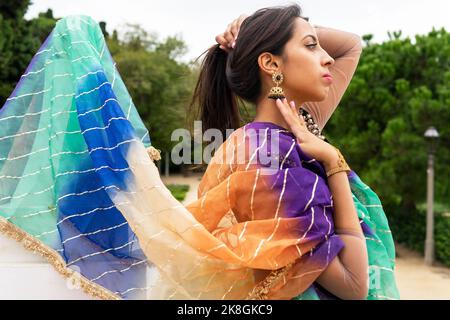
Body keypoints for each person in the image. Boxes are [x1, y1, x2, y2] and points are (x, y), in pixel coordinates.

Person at [0, 4, 399, 300]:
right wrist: (333, 163)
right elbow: (353, 286)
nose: (326, 56)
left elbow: (349, 47)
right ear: (271, 64)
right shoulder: (271, 158)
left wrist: (260, 29)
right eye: (311, 46)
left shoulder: (300, 126)